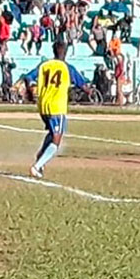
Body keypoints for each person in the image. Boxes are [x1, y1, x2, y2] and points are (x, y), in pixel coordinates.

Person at [23, 41, 91, 178]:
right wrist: (87, 91)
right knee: (56, 139)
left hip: (43, 106)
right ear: (65, 52)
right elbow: (84, 87)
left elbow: (28, 77)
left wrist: (30, 90)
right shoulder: (68, 68)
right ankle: (37, 166)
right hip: (57, 106)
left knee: (52, 132)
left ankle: (41, 155)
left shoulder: (44, 65)